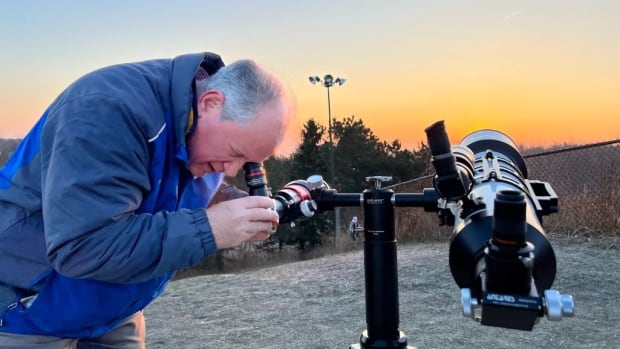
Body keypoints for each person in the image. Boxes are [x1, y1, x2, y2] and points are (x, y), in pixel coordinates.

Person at [0, 51, 295, 348]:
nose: (232, 170)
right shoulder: (104, 113)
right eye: (235, 153)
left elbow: (165, 187)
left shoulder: (201, 124)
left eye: (248, 163)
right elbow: (82, 247)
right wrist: (211, 228)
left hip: (115, 308)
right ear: (211, 102)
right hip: (30, 311)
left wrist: (236, 207)